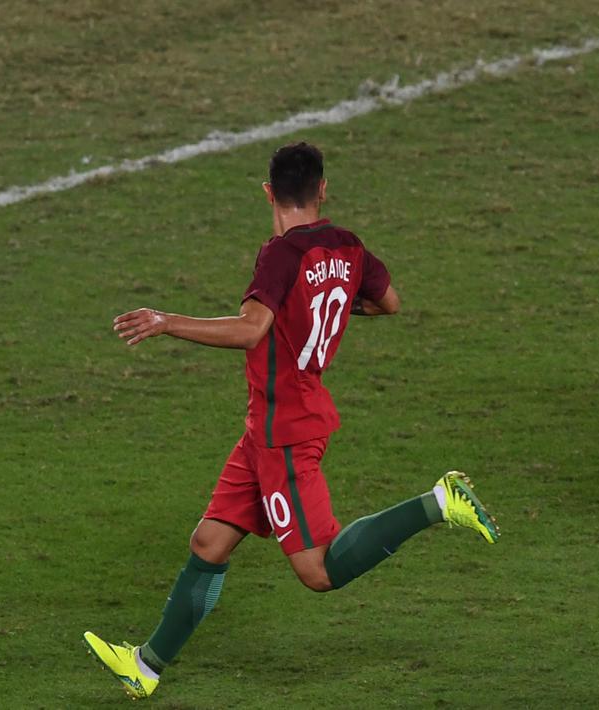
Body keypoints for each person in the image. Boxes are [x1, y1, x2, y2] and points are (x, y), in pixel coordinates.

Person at [83, 142, 500, 699]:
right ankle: (147, 666)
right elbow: (389, 301)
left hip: (286, 430)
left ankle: (436, 503)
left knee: (318, 570)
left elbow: (251, 329)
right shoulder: (347, 245)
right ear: (322, 190)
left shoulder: (279, 255)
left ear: (268, 192)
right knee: (209, 542)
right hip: (267, 427)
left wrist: (166, 321)